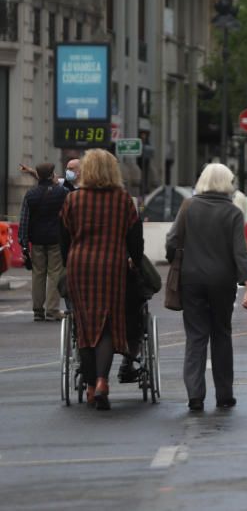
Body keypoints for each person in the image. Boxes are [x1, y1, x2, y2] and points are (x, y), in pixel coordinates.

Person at [167, 163, 247, 412]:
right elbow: (241, 252)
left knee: (195, 337)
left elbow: (172, 241)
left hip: (191, 280)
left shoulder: (188, 207)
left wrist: (174, 256)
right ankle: (224, 394)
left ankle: (195, 395)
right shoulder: (233, 213)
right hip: (222, 282)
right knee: (221, 335)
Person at [60, 149, 143, 410]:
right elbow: (135, 241)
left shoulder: (73, 200)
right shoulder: (123, 200)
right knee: (107, 322)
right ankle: (101, 380)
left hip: (80, 265)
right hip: (112, 265)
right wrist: (135, 263)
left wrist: (68, 263)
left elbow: (64, 239)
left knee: (84, 324)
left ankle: (89, 385)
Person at [19, 163, 69, 322]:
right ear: (52, 175)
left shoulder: (30, 194)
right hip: (56, 239)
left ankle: (38, 310)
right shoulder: (62, 193)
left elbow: (24, 220)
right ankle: (53, 310)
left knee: (38, 274)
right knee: (55, 274)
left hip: (37, 240)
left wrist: (24, 242)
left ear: (39, 176)